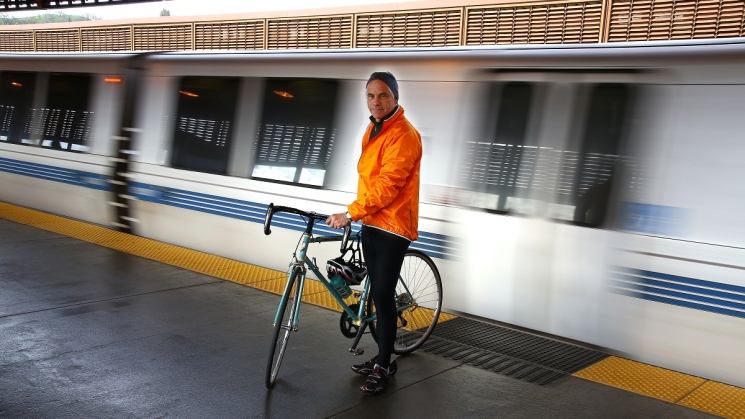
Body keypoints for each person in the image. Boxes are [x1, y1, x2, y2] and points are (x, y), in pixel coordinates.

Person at [326, 71, 422, 395]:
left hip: (394, 225)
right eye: (370, 96)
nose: (376, 101)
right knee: (378, 294)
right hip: (372, 221)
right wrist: (360, 214)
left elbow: (389, 186)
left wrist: (350, 212)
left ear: (395, 97)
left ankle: (384, 364)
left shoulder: (405, 135)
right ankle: (385, 359)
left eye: (383, 95)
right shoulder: (373, 128)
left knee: (382, 294)